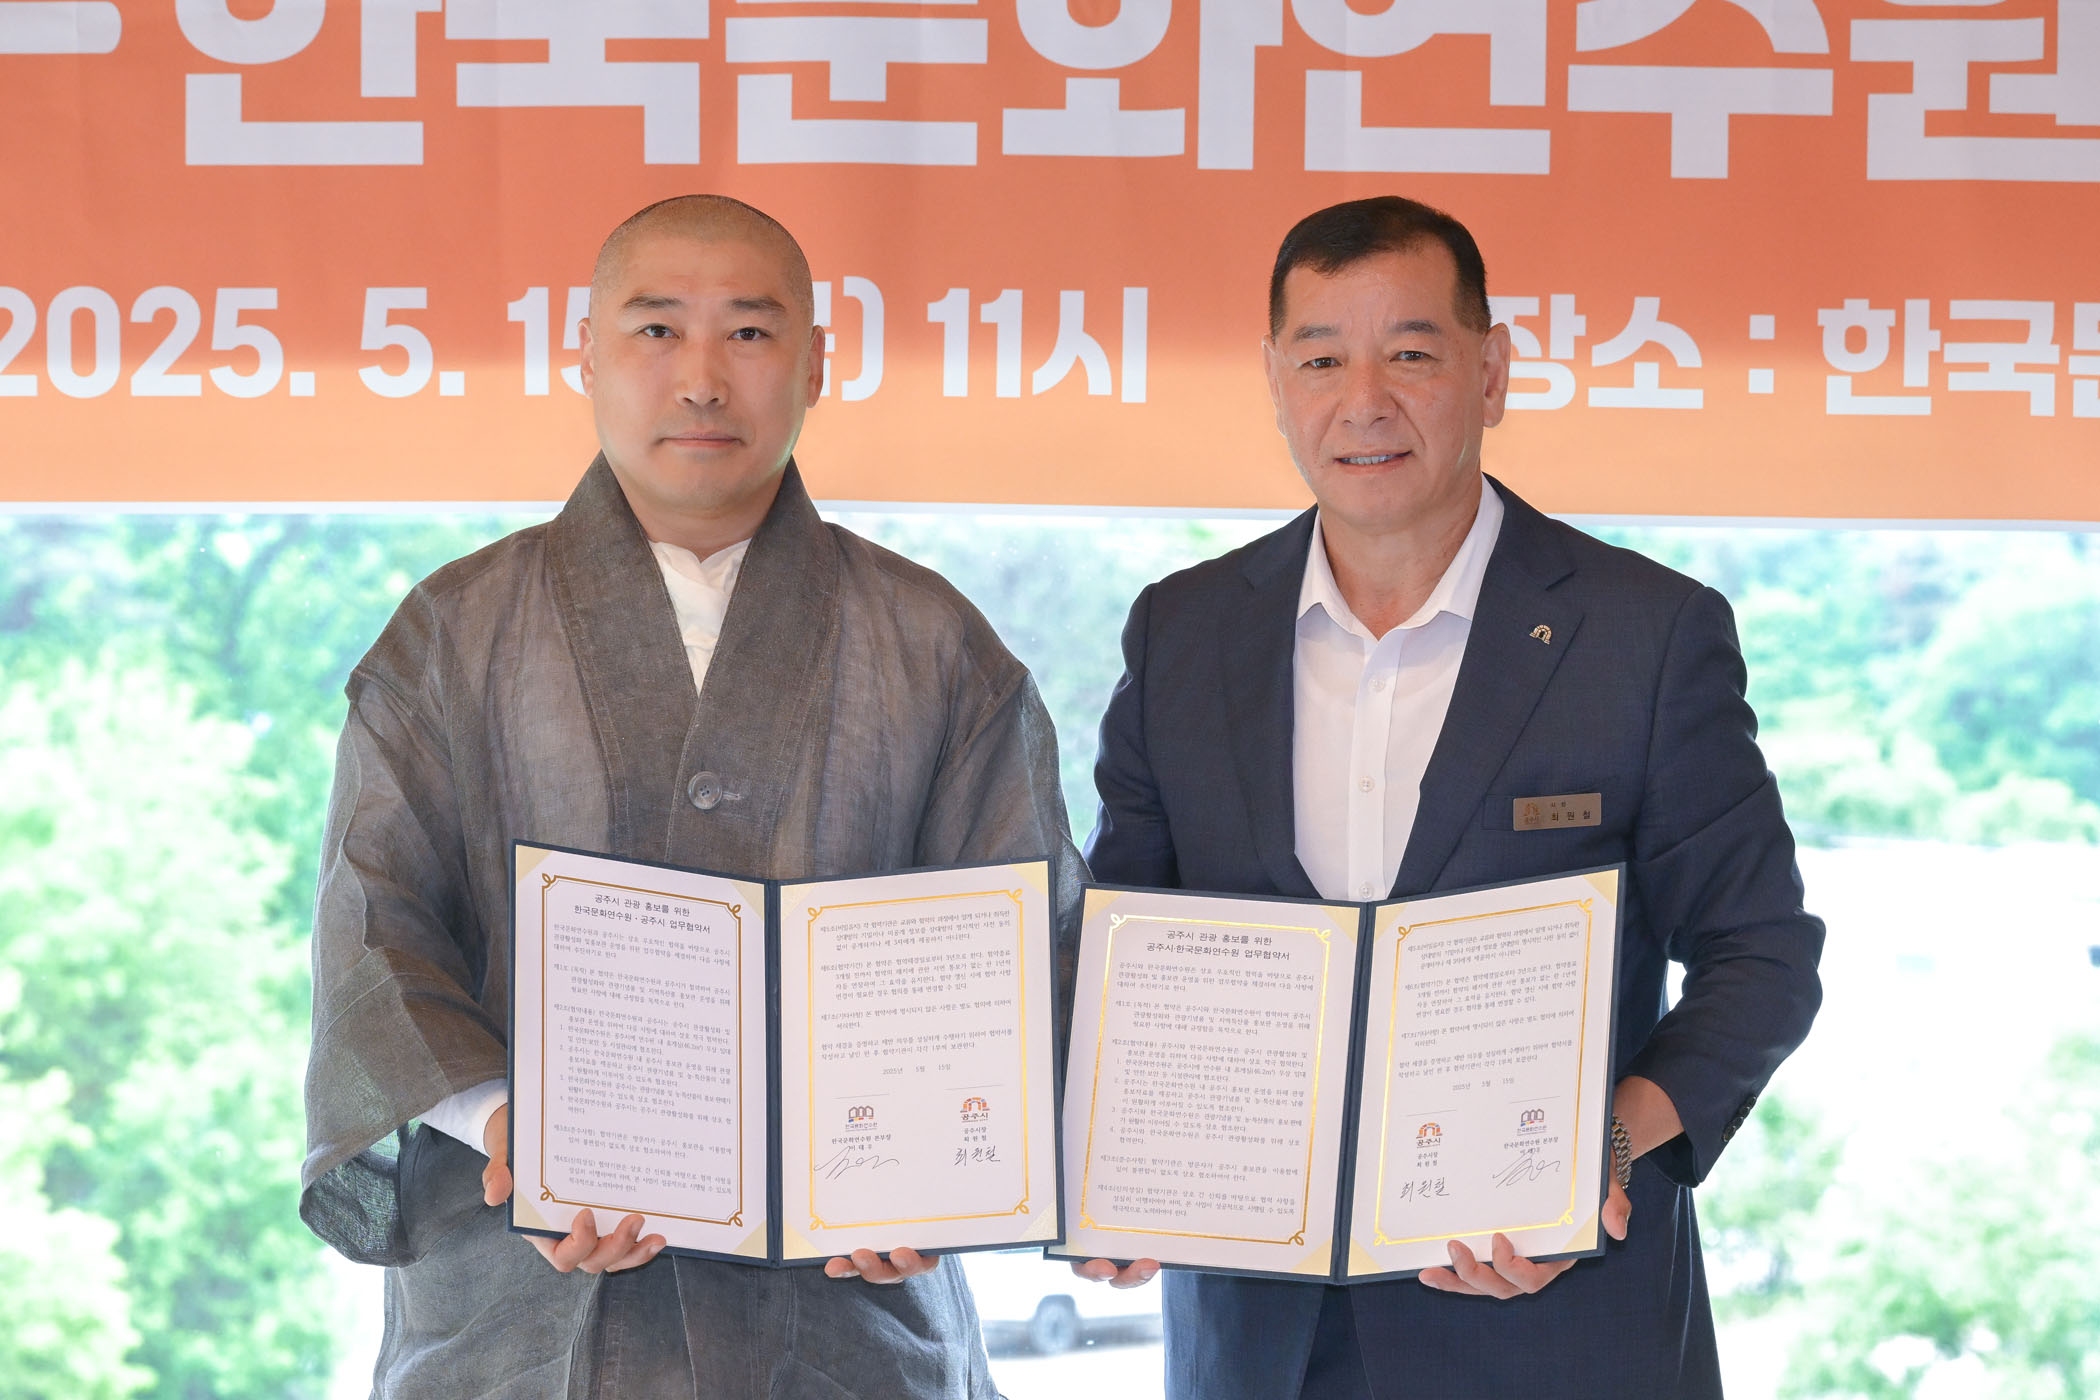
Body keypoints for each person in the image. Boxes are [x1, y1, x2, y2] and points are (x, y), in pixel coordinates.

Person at [300, 194, 1082, 1398]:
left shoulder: (933, 642)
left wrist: (937, 1173)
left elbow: (1028, 942)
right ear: (585, 354)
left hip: (848, 1319)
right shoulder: (455, 632)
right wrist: (515, 1127)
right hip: (520, 1313)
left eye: (750, 333)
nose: (703, 379)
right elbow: (376, 932)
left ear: (817, 362)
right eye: (657, 330)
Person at [1076, 196, 1824, 1398]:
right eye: (1322, 359)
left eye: (1412, 354)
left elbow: (1763, 955)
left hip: (1555, 1328)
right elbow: (1125, 944)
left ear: (1492, 371)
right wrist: (1103, 1160)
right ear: (1275, 381)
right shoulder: (1184, 632)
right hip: (1258, 1338)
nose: (1364, 401)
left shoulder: (1644, 634)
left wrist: (1608, 1141)